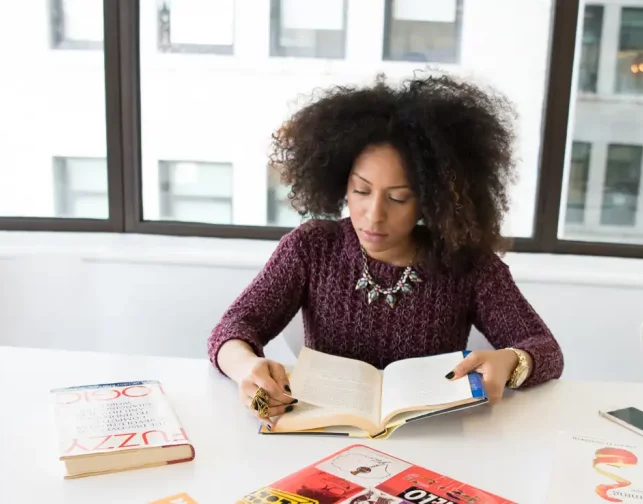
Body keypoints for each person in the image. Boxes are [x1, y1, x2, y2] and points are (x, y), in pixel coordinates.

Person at [208, 74, 564, 424]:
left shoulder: (466, 263)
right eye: (361, 191)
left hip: (436, 440)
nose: (374, 215)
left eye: (398, 198)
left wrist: (512, 362)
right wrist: (246, 369)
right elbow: (232, 328)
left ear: (430, 201)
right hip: (323, 435)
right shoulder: (311, 247)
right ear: (340, 183)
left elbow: (546, 350)